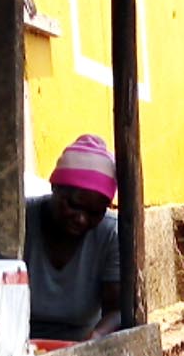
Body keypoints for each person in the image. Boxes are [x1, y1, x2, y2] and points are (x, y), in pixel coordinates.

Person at [25, 134, 121, 342]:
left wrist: (96, 337)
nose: (81, 218)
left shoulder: (110, 235)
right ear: (54, 187)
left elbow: (117, 310)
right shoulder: (19, 222)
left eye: (94, 212)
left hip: (79, 349)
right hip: (18, 347)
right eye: (73, 205)